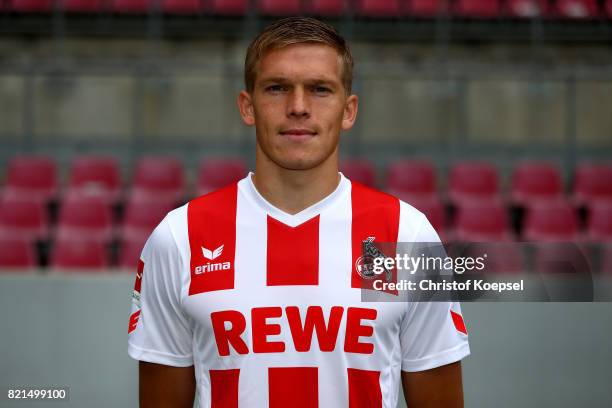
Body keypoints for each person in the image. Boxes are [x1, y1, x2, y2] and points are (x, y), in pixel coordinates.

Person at [128, 17, 469, 407]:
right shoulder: (180, 237)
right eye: (277, 88)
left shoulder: (407, 235)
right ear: (247, 106)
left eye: (320, 89)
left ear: (348, 110)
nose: (298, 107)